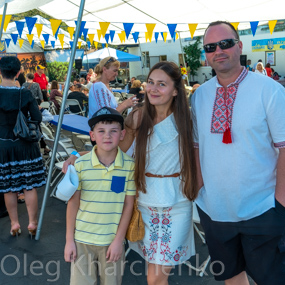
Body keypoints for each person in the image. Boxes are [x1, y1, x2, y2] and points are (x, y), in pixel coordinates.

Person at [191, 21, 285, 284]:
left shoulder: (269, 90)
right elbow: (196, 147)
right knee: (231, 277)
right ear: (206, 55)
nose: (218, 50)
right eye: (210, 46)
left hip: (262, 209)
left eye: (225, 43)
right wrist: (198, 191)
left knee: (270, 280)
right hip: (214, 209)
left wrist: (280, 204)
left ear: (239, 46)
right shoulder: (199, 96)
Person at [123, 61, 198, 285]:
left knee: (157, 275)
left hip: (178, 201)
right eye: (151, 82)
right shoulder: (137, 117)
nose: (153, 89)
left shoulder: (188, 120)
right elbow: (117, 153)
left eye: (162, 84)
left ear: (176, 90)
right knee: (153, 274)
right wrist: (79, 157)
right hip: (146, 201)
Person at [64, 107, 135, 285]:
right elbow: (73, 204)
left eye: (113, 131)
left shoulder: (130, 166)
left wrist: (119, 240)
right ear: (92, 135)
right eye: (101, 131)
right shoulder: (80, 165)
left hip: (112, 241)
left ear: (122, 134)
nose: (107, 136)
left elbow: (128, 205)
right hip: (82, 241)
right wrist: (69, 241)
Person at [0, 56, 46, 237]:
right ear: (18, 72)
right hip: (25, 145)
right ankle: (32, 223)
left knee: (9, 186)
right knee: (29, 185)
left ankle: (14, 223)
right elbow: (38, 118)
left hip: (3, 146)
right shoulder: (25, 93)